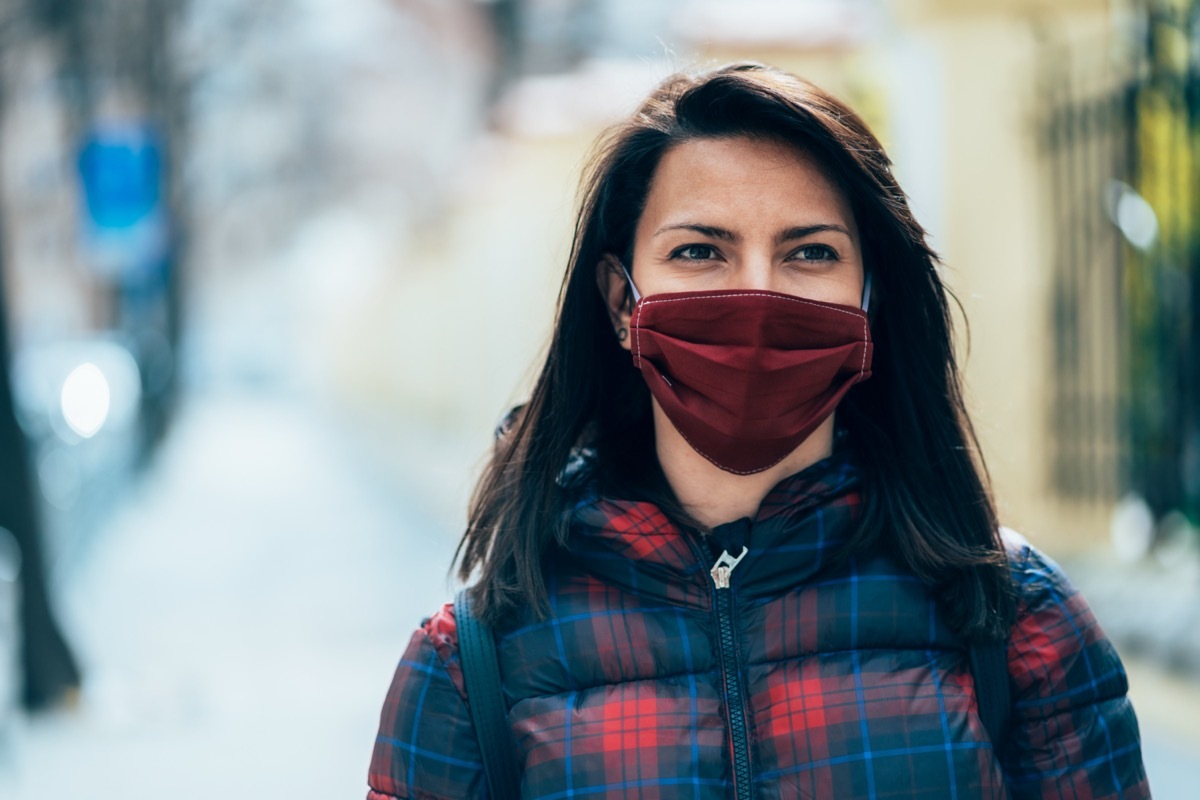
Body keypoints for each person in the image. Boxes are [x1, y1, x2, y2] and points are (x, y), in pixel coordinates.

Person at [366, 62, 1150, 799]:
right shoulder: (473, 667)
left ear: (870, 294)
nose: (757, 295)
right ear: (619, 302)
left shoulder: (1014, 620)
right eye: (700, 251)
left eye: (810, 252)